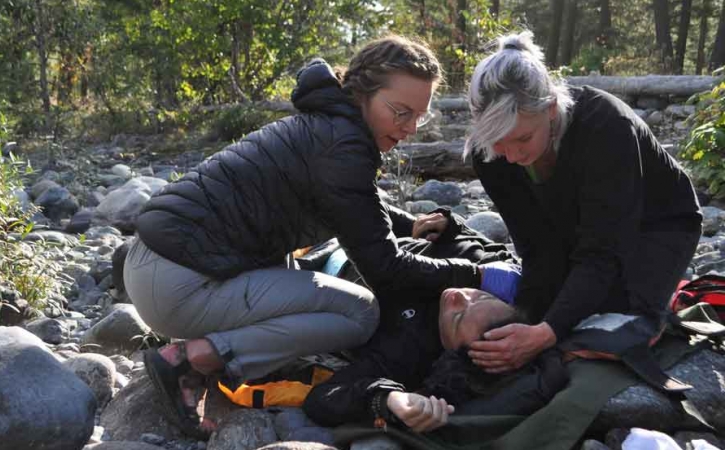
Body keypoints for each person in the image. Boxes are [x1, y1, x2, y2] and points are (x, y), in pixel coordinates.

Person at [123, 35, 521, 436]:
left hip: (162, 265)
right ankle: (189, 362)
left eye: (420, 116)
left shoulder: (330, 126)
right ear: (362, 93)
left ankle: (203, 359)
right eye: (400, 112)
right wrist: (480, 276)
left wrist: (409, 224)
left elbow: (352, 202)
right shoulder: (343, 147)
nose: (411, 128)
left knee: (297, 277)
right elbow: (385, 269)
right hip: (179, 283)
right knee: (359, 312)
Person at [463, 31, 702, 375]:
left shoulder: (606, 126)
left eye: (523, 139)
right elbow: (534, 246)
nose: (512, 155)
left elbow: (603, 251)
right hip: (573, 221)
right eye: (499, 144)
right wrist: (527, 318)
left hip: (657, 224)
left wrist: (544, 334)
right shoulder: (489, 154)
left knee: (609, 323)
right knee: (551, 305)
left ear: (550, 109)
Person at [302, 287, 567, 433]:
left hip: (322, 276)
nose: (458, 296)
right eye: (483, 295)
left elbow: (321, 398)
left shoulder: (403, 354)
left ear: (449, 351)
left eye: (458, 317)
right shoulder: (476, 279)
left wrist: (387, 399)